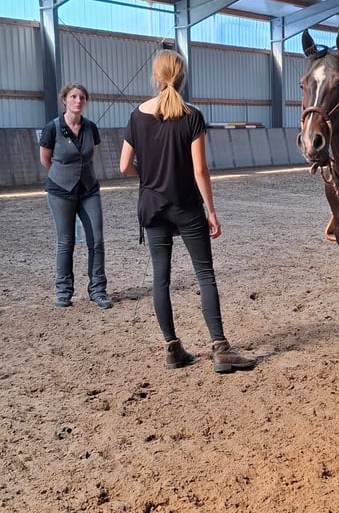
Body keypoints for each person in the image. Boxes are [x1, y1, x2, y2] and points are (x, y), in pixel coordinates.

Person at [119, 50, 255, 374]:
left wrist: (149, 175)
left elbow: (124, 165)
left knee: (160, 279)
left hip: (152, 207)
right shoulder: (192, 116)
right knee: (204, 274)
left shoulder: (136, 116)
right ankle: (220, 348)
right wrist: (212, 211)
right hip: (186, 206)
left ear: (155, 77)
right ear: (182, 77)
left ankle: (172, 348)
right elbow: (200, 170)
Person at [39, 82, 112, 309]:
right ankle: (63, 291)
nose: (78, 101)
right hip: (61, 190)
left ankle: (98, 290)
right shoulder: (52, 128)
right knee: (66, 241)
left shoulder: (91, 127)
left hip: (89, 189)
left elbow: (90, 156)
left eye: (82, 97)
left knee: (96, 240)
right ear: (65, 100)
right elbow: (45, 160)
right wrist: (65, 174)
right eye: (73, 97)